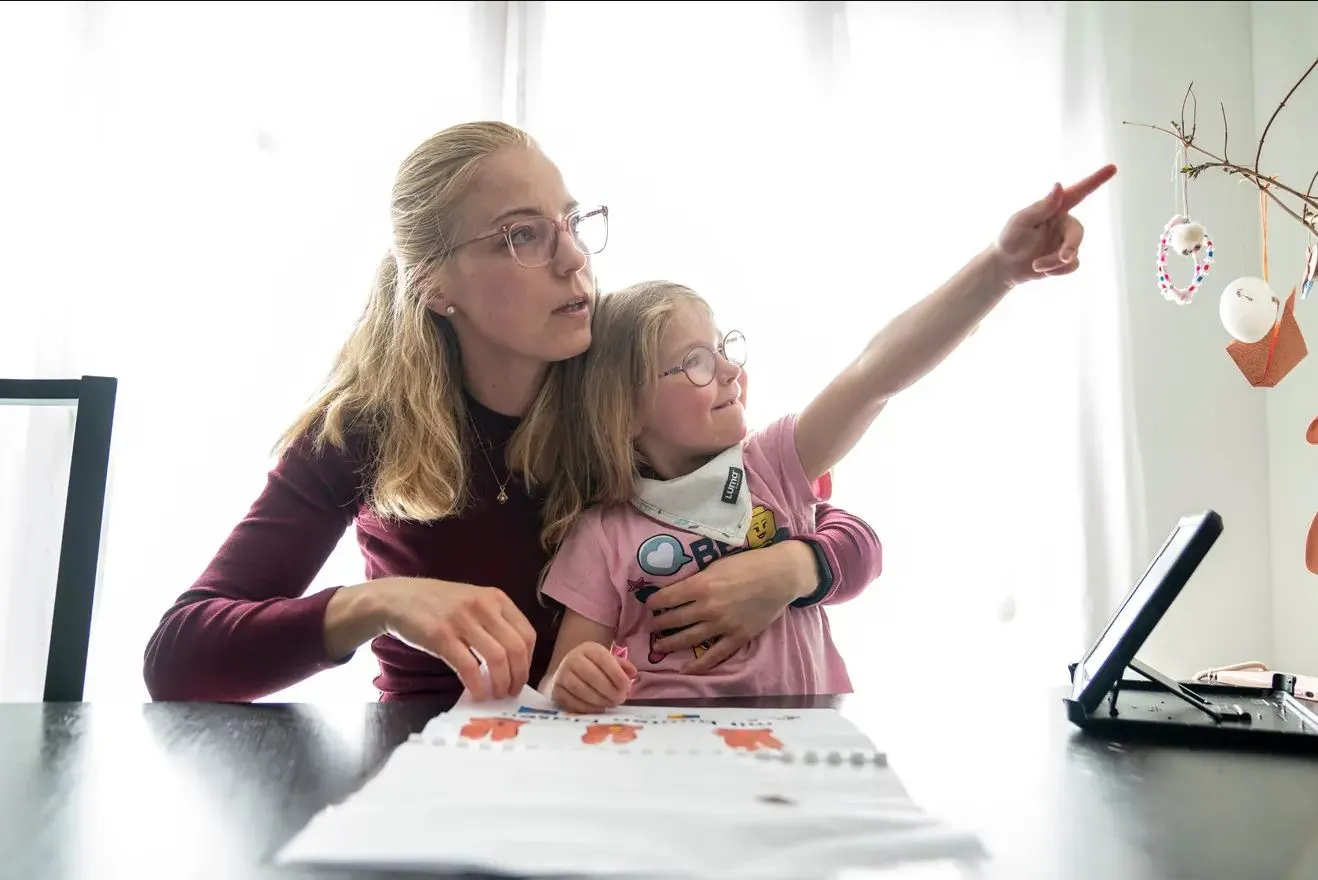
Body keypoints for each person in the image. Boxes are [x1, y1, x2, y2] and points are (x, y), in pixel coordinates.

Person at [142, 120, 884, 704]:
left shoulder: (615, 387)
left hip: (628, 758)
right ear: (436, 287)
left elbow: (808, 510)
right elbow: (179, 655)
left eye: (570, 222)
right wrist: (377, 604)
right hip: (434, 766)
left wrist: (798, 565)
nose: (574, 261)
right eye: (522, 236)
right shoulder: (364, 428)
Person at [539, 165, 1118, 713]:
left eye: (722, 347)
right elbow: (561, 680)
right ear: (625, 412)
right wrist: (575, 679)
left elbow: (873, 376)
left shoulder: (772, 463)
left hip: (802, 765)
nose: (728, 370)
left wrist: (999, 268)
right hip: (673, 774)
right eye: (693, 361)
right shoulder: (602, 535)